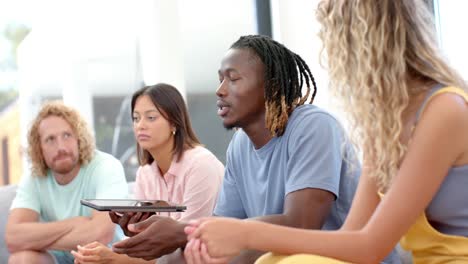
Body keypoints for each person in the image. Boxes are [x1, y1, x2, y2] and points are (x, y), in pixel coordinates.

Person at [185, 0, 468, 263]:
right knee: (274, 259)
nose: (333, 54)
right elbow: (353, 237)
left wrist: (246, 234)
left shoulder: (445, 109)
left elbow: (371, 246)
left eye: (335, 38)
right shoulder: (385, 124)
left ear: (367, 39)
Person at [114, 35, 400, 264]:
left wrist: (182, 232)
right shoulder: (239, 146)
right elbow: (224, 227)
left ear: (271, 87)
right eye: (220, 79)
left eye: (233, 78)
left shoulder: (313, 126)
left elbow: (301, 224)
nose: (220, 90)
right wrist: (154, 237)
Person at [71, 83, 224, 264]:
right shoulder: (145, 174)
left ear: (174, 122)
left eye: (151, 117)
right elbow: (149, 245)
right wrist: (133, 230)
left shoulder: (201, 165)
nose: (140, 126)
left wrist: (113, 258)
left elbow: (186, 242)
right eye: (136, 119)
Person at [5, 101, 128, 264]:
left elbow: (101, 234)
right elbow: (13, 238)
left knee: (92, 256)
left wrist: (36, 239)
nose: (61, 147)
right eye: (50, 139)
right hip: (59, 259)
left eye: (67, 135)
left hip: (102, 257)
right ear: (39, 149)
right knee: (21, 259)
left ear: (78, 138)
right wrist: (75, 224)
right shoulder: (34, 176)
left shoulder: (106, 166)